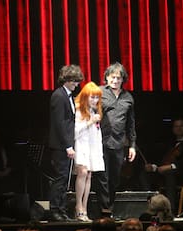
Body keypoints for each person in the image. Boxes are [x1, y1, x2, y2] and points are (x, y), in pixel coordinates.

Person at [97, 62, 136, 217]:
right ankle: (104, 209)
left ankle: (110, 206)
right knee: (102, 176)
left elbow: (131, 124)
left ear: (122, 79)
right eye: (112, 77)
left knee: (115, 178)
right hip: (100, 142)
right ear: (107, 77)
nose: (115, 80)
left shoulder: (128, 98)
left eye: (118, 78)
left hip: (119, 143)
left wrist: (132, 145)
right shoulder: (99, 92)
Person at [144, 117, 183, 214]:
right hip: (166, 173)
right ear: (173, 129)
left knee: (169, 174)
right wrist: (153, 167)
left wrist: (171, 167)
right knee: (144, 175)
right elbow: (162, 162)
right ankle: (149, 206)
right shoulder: (168, 143)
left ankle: (170, 210)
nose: (179, 128)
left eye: (181, 126)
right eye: (176, 126)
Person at [48, 64, 84, 221]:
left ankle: (61, 210)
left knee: (65, 179)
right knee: (60, 178)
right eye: (75, 81)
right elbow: (59, 124)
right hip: (61, 145)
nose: (77, 84)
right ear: (68, 80)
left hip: (67, 144)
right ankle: (55, 210)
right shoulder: (59, 96)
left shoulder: (67, 96)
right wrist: (68, 146)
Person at [73, 81, 105, 222]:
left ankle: (84, 208)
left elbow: (96, 134)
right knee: (83, 172)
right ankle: (78, 206)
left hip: (92, 148)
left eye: (97, 97)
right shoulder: (78, 110)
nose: (95, 100)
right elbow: (74, 132)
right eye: (92, 97)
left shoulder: (94, 111)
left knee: (89, 175)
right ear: (86, 96)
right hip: (80, 146)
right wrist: (90, 122)